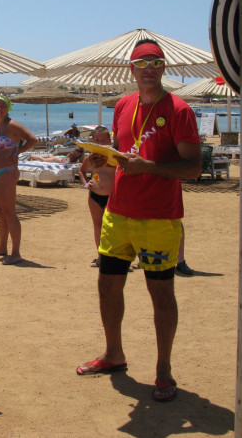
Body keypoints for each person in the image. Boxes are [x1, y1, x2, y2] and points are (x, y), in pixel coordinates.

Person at [76, 39, 201, 404]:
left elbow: (193, 168)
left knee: (160, 293)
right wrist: (104, 160)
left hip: (158, 218)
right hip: (118, 213)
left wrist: (150, 167)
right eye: (142, 63)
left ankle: (163, 370)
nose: (149, 69)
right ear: (131, 69)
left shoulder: (179, 110)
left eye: (156, 63)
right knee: (107, 285)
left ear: (164, 68)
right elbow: (126, 154)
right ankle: (113, 354)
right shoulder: (123, 105)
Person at [0, 94, 37, 265]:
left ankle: (16, 253)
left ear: (8, 108)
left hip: (7, 171)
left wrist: (17, 152)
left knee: (9, 213)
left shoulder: (12, 124)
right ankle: (1, 248)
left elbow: (33, 139)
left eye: (3, 106)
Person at [77, 126, 116, 267]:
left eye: (103, 139)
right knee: (98, 226)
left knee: (112, 228)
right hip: (94, 196)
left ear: (109, 140)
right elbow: (81, 171)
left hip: (112, 196)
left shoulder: (115, 156)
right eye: (97, 140)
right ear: (93, 141)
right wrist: (85, 183)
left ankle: (116, 259)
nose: (100, 142)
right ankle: (100, 257)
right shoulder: (91, 156)